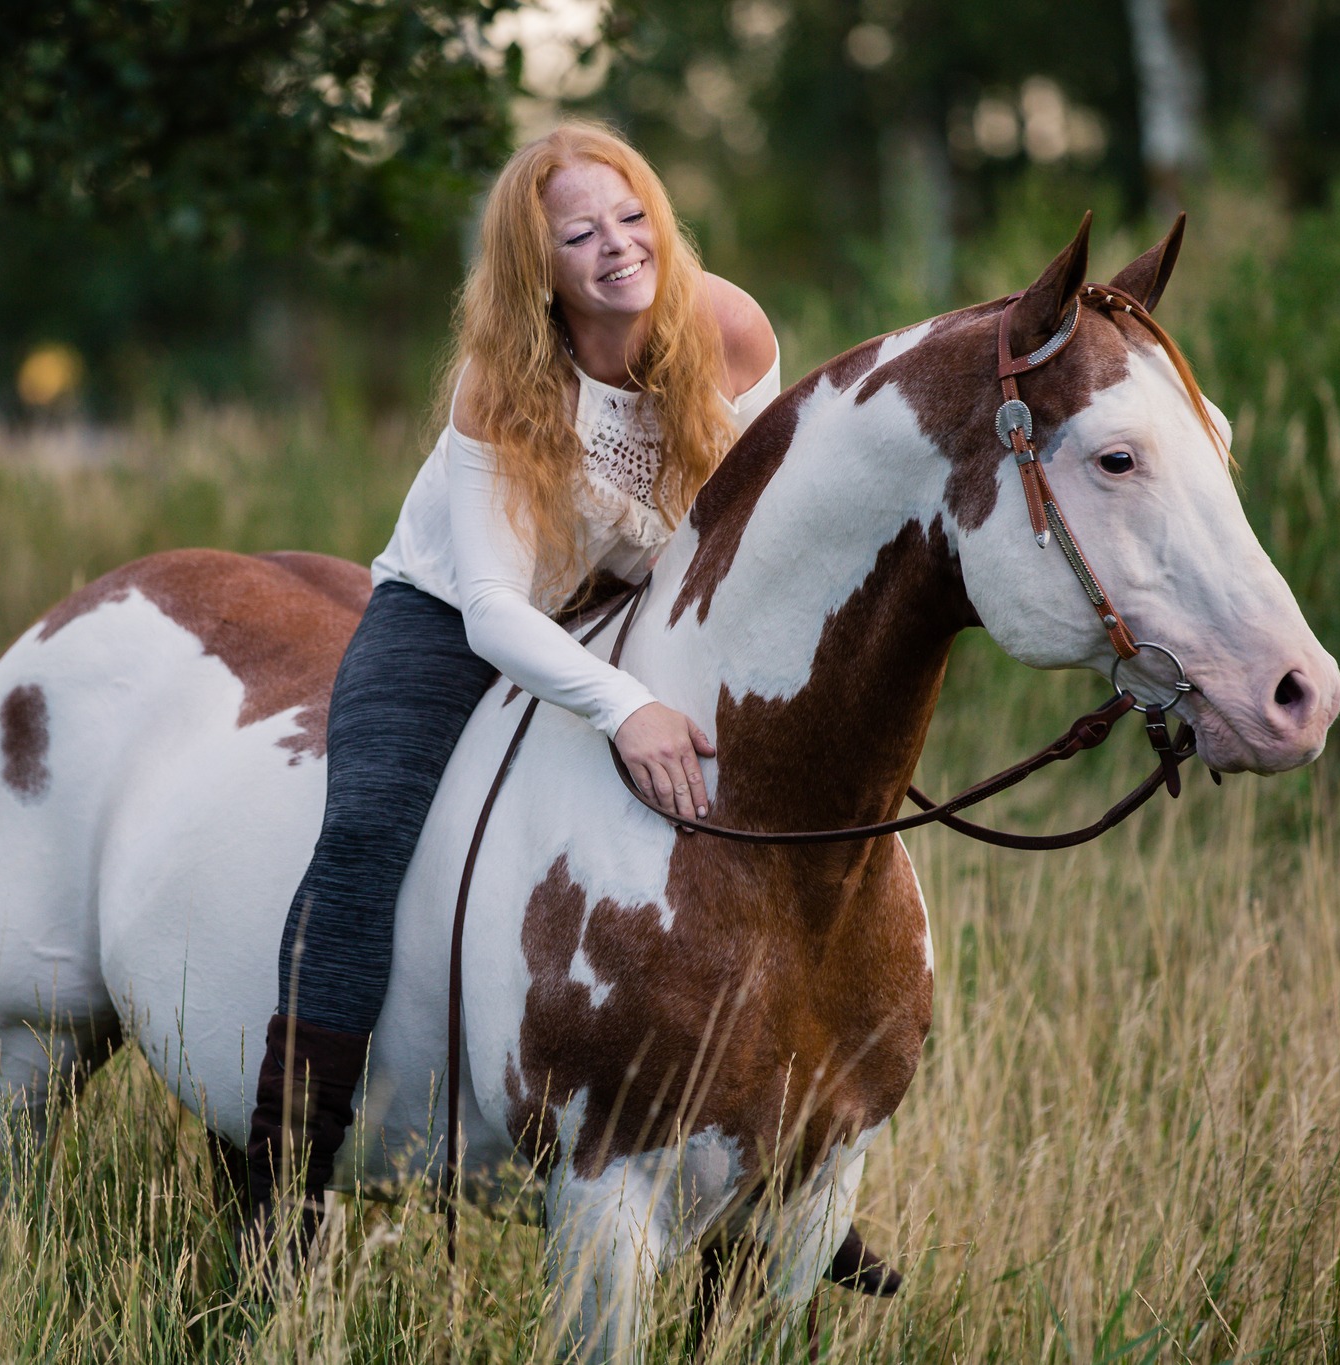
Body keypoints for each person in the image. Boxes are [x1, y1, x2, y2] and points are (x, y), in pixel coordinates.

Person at [242, 122, 899, 1299]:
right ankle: (286, 1176)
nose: (615, 247)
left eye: (630, 216)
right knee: (364, 836)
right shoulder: (503, 380)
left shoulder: (727, 330)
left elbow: (758, 522)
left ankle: (794, 1157)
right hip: (452, 616)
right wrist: (627, 711)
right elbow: (496, 608)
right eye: (577, 233)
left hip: (632, 601)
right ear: (532, 264)